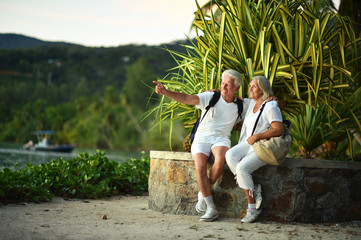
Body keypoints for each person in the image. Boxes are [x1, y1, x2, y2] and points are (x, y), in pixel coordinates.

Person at [153, 69, 249, 222]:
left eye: (228, 85)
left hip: (221, 139)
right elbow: (186, 98)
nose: (224, 87)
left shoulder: (241, 105)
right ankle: (211, 207)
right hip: (202, 138)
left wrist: (271, 98)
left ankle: (203, 193)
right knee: (200, 168)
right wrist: (165, 92)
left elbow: (260, 104)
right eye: (222, 83)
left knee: (220, 160)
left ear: (237, 88)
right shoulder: (211, 96)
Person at [225, 75, 284, 223]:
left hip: (263, 146)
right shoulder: (251, 103)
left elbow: (279, 129)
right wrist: (216, 91)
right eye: (250, 85)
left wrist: (258, 136)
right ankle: (254, 186)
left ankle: (252, 209)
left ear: (263, 89)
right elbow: (232, 97)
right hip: (249, 143)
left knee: (242, 169)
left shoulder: (271, 106)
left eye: (254, 86)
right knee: (230, 155)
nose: (250, 88)